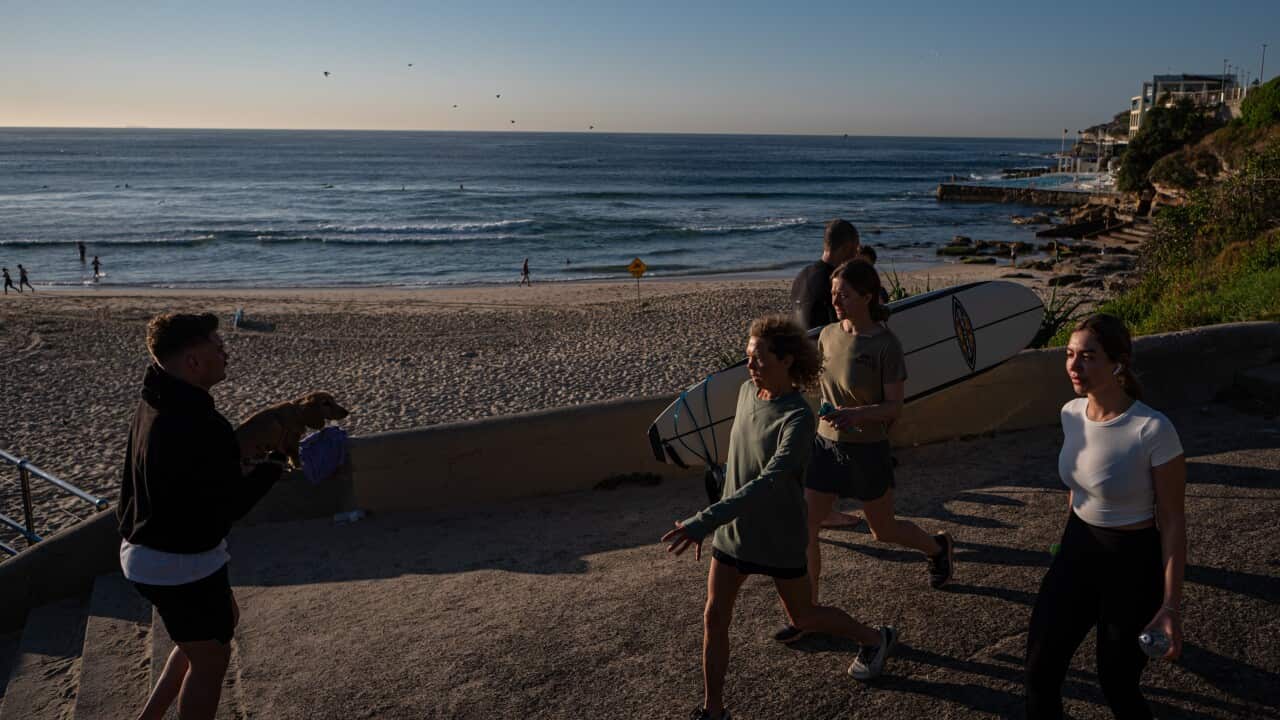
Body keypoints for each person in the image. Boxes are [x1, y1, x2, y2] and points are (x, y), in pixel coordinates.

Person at [663, 315, 898, 720]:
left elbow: (771, 480)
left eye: (758, 359)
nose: (750, 366)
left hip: (779, 535)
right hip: (735, 532)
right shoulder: (744, 393)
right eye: (748, 358)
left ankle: (876, 638)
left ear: (787, 360)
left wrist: (704, 520)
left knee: (803, 615)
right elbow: (740, 459)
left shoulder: (798, 418)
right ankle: (713, 710)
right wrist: (719, 498)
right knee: (715, 615)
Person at [118, 313, 286, 720]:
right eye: (217, 345)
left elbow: (189, 476)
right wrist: (275, 465)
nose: (226, 352)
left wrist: (238, 461)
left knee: (213, 628)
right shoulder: (196, 422)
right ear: (193, 361)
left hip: (148, 551)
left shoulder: (156, 398)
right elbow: (230, 505)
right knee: (210, 663)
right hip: (177, 562)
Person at [1025, 314, 1186, 719]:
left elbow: (1171, 522)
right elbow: (1079, 485)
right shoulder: (1071, 413)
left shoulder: (1153, 429)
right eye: (1070, 355)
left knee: (1116, 683)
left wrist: (1170, 606)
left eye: (1088, 357)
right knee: (1039, 671)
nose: (1074, 366)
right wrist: (1066, 544)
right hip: (1077, 550)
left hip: (1130, 563)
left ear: (1118, 363)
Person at [783, 260, 953, 637]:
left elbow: (895, 407)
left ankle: (937, 548)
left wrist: (857, 413)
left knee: (884, 530)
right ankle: (806, 613)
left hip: (867, 450)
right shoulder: (827, 334)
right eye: (832, 294)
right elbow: (817, 379)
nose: (836, 300)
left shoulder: (885, 345)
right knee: (807, 526)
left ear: (868, 296)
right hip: (825, 447)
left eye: (844, 294)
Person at [789, 218, 861, 330]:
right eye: (855, 249)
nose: (856, 255)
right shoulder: (836, 282)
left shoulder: (802, 275)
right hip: (820, 343)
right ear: (846, 248)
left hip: (799, 341)